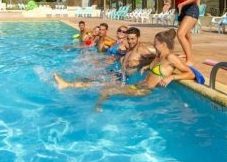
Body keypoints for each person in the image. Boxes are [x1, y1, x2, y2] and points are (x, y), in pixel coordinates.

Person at [53, 28, 195, 111]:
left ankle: (94, 108)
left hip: (144, 90)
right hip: (139, 85)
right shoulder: (159, 56)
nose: (154, 45)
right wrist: (146, 65)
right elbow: (153, 64)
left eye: (156, 43)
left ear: (163, 44)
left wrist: (172, 77)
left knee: (106, 90)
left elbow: (190, 74)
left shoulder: (170, 57)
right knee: (103, 87)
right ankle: (73, 88)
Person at [162, 0, 199, 65]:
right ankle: (186, 52)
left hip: (191, 8)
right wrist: (168, 3)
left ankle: (189, 60)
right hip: (180, 10)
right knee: (186, 34)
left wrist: (183, 3)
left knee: (180, 33)